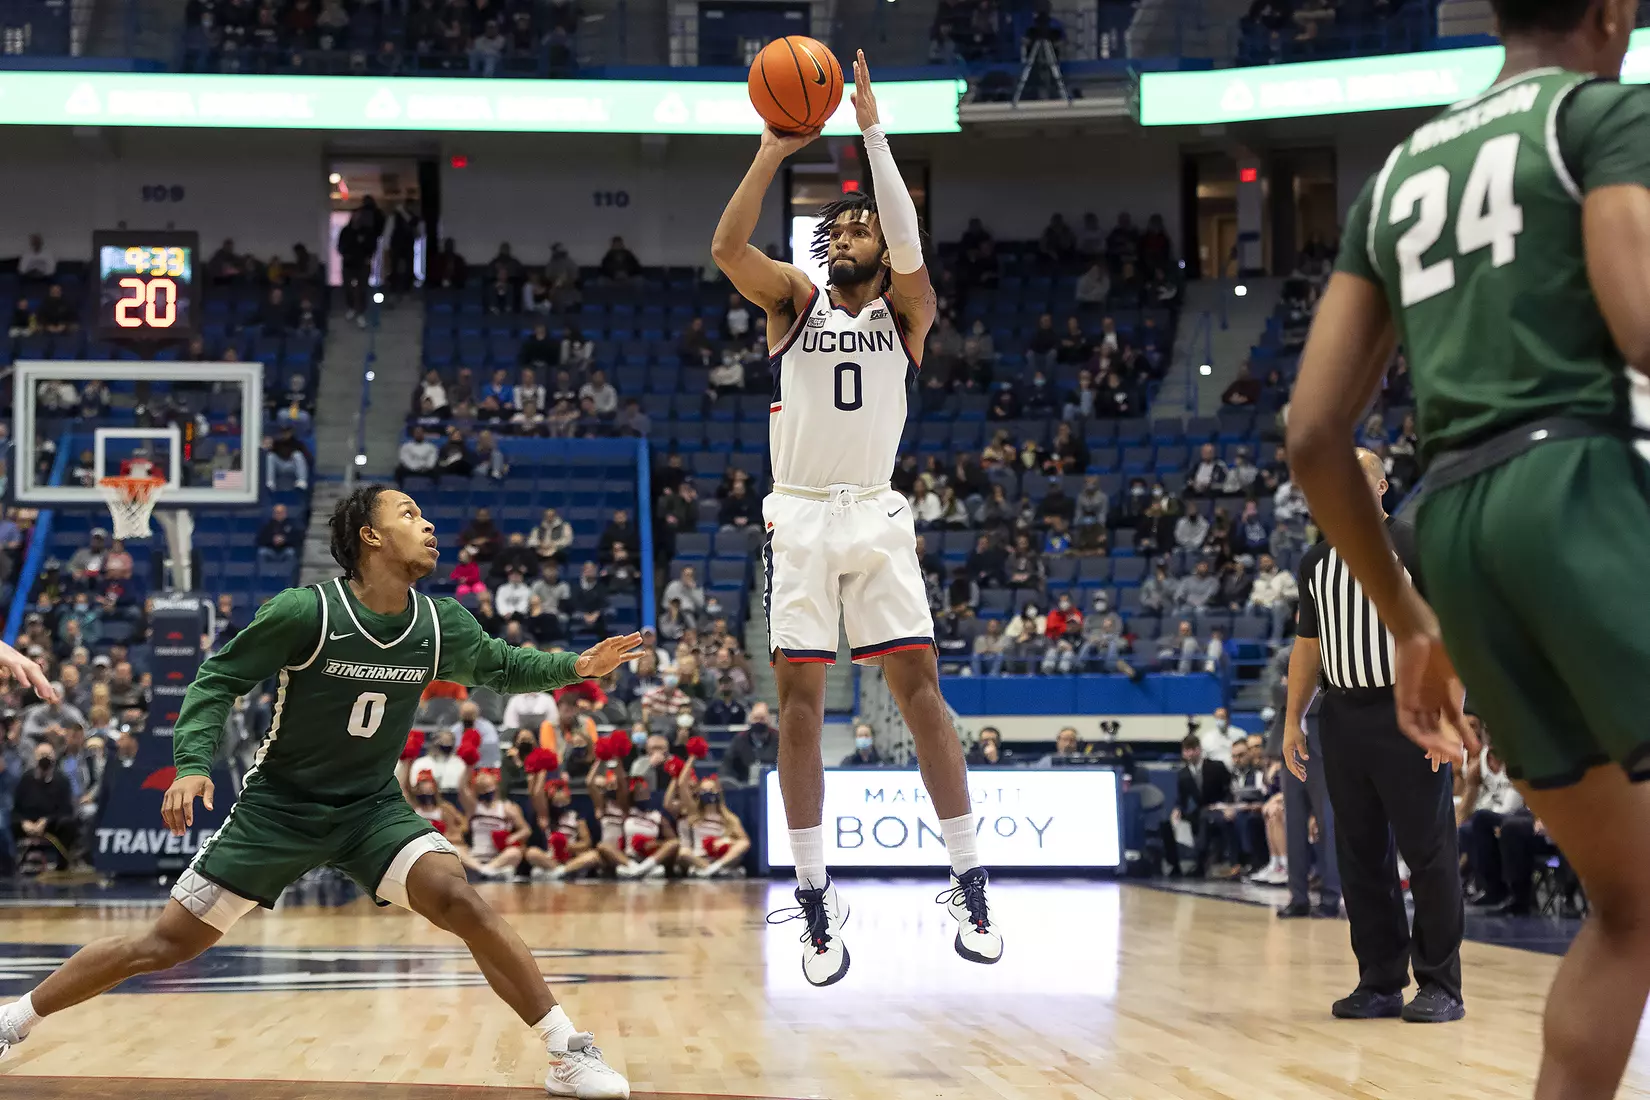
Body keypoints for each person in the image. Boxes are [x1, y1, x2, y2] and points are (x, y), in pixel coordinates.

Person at [0, 485, 642, 1097]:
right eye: (410, 514)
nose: (428, 526)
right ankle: (15, 1018)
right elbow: (216, 680)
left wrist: (579, 666)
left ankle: (567, 1050)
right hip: (280, 807)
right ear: (371, 536)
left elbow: (503, 666)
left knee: (459, 898)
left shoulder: (440, 623)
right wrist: (193, 763)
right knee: (164, 945)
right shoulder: (305, 611)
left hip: (369, 807)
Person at [1287, 0, 1650, 1077]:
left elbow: (1311, 434)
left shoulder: (1397, 174)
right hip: (1579, 482)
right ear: (1613, 11)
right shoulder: (1600, 114)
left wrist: (1407, 617)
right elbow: (1638, 319)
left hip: (1455, 532)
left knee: (1629, 910)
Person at [711, 50, 998, 986]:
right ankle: (813, 898)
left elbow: (909, 251)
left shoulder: (909, 312)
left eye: (865, 221)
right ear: (825, 251)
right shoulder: (794, 304)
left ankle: (969, 878)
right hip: (796, 517)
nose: (856, 230)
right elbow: (725, 249)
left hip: (876, 513)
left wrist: (872, 130)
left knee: (922, 692)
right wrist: (769, 153)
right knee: (801, 708)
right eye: (842, 226)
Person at [1285, 450, 1465, 1024]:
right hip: (1342, 715)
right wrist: (1292, 718)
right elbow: (1308, 648)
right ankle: (1380, 981)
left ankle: (1441, 985)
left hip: (1408, 712)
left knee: (1428, 851)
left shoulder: (1414, 547)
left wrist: (1445, 714)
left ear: (1382, 486)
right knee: (1360, 855)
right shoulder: (1316, 562)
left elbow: (1450, 634)